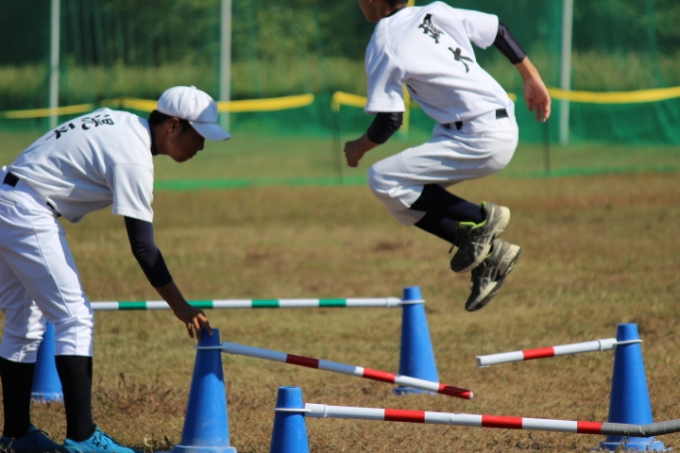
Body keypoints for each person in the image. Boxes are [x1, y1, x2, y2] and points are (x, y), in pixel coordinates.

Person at [0, 86, 230, 453]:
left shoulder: (123, 123)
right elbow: (143, 247)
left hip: (8, 195)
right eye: (199, 135)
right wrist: (181, 307)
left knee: (23, 320)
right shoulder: (133, 158)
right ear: (173, 126)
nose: (201, 146)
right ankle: (82, 438)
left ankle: (16, 436)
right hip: (27, 209)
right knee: (75, 317)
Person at [346, 0, 551, 311]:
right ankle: (490, 255)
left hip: (477, 135)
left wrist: (357, 148)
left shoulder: (384, 38)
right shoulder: (436, 11)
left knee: (382, 178)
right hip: (496, 125)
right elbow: (497, 30)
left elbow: (389, 121)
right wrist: (531, 76)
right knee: (400, 201)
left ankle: (481, 219)